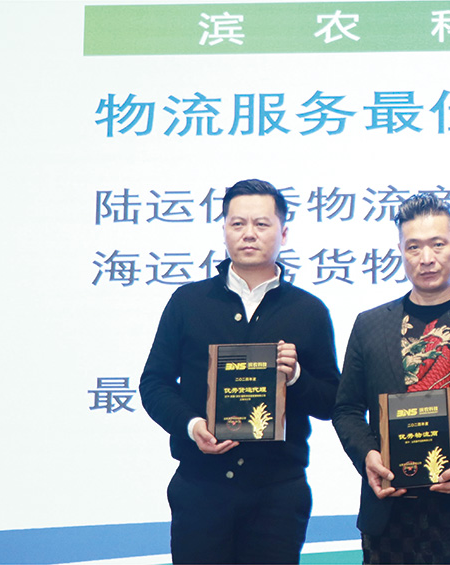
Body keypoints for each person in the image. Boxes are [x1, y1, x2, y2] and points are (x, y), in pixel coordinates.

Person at [139, 179, 341, 564]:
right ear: (224, 230)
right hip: (201, 489)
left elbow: (333, 401)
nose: (249, 233)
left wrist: (296, 377)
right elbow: (154, 383)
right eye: (238, 223)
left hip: (277, 496)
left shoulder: (309, 311)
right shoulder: (188, 301)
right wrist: (192, 425)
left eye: (262, 224)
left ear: (283, 233)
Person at [333, 193, 450, 564]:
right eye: (414, 247)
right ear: (400, 251)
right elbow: (346, 409)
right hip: (390, 511)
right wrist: (368, 456)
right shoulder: (369, 325)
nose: (426, 258)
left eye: (438, 244)